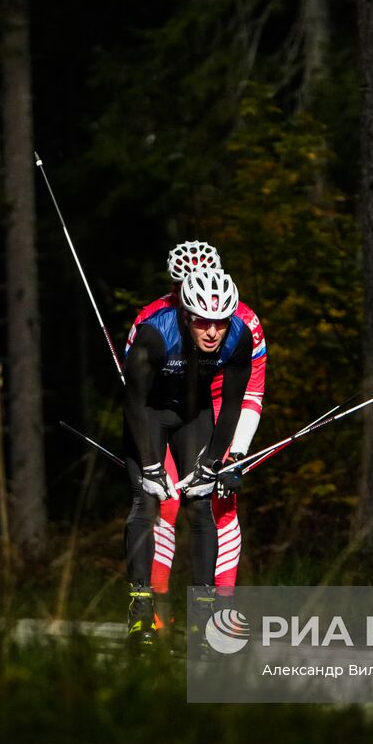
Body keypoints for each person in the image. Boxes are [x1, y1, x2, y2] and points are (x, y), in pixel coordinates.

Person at [125, 241, 266, 624]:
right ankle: (153, 609)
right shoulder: (153, 323)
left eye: (218, 317)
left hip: (214, 402)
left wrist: (233, 456)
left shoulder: (244, 326)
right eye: (177, 288)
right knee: (163, 502)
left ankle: (218, 614)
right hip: (164, 402)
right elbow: (136, 396)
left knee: (217, 502)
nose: (210, 324)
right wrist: (149, 464)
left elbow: (249, 395)